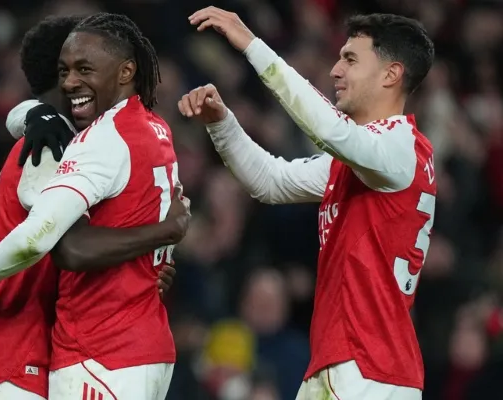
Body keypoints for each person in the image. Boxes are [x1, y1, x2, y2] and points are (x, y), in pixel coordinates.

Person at [181, 7, 436, 400]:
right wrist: (222, 123)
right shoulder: (365, 160)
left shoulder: (400, 146)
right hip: (348, 365)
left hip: (367, 371)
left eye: (350, 59)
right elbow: (270, 181)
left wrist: (252, 45)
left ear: (391, 74)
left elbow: (329, 129)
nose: (335, 70)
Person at [0, 15, 189, 400]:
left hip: (25, 357)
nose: (74, 80)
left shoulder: (65, 139)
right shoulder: (49, 150)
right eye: (69, 69)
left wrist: (143, 265)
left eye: (85, 67)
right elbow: (59, 245)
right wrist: (162, 234)